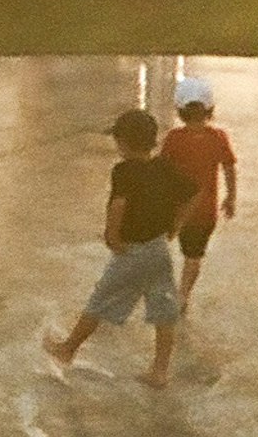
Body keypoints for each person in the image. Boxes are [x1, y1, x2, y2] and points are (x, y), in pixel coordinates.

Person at [43, 106, 194, 387]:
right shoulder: (164, 166)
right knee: (164, 311)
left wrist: (111, 236)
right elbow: (191, 193)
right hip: (159, 250)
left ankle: (68, 349)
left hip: (132, 251)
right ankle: (160, 371)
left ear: (123, 142)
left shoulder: (124, 171)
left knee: (100, 300)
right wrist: (176, 225)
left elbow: (119, 205)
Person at [159, 75, 239, 308]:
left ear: (180, 110)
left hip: (176, 209)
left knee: (158, 246)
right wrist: (231, 197)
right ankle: (183, 294)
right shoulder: (218, 137)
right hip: (205, 211)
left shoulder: (174, 138)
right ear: (210, 109)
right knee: (193, 256)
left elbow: (163, 171)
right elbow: (229, 167)